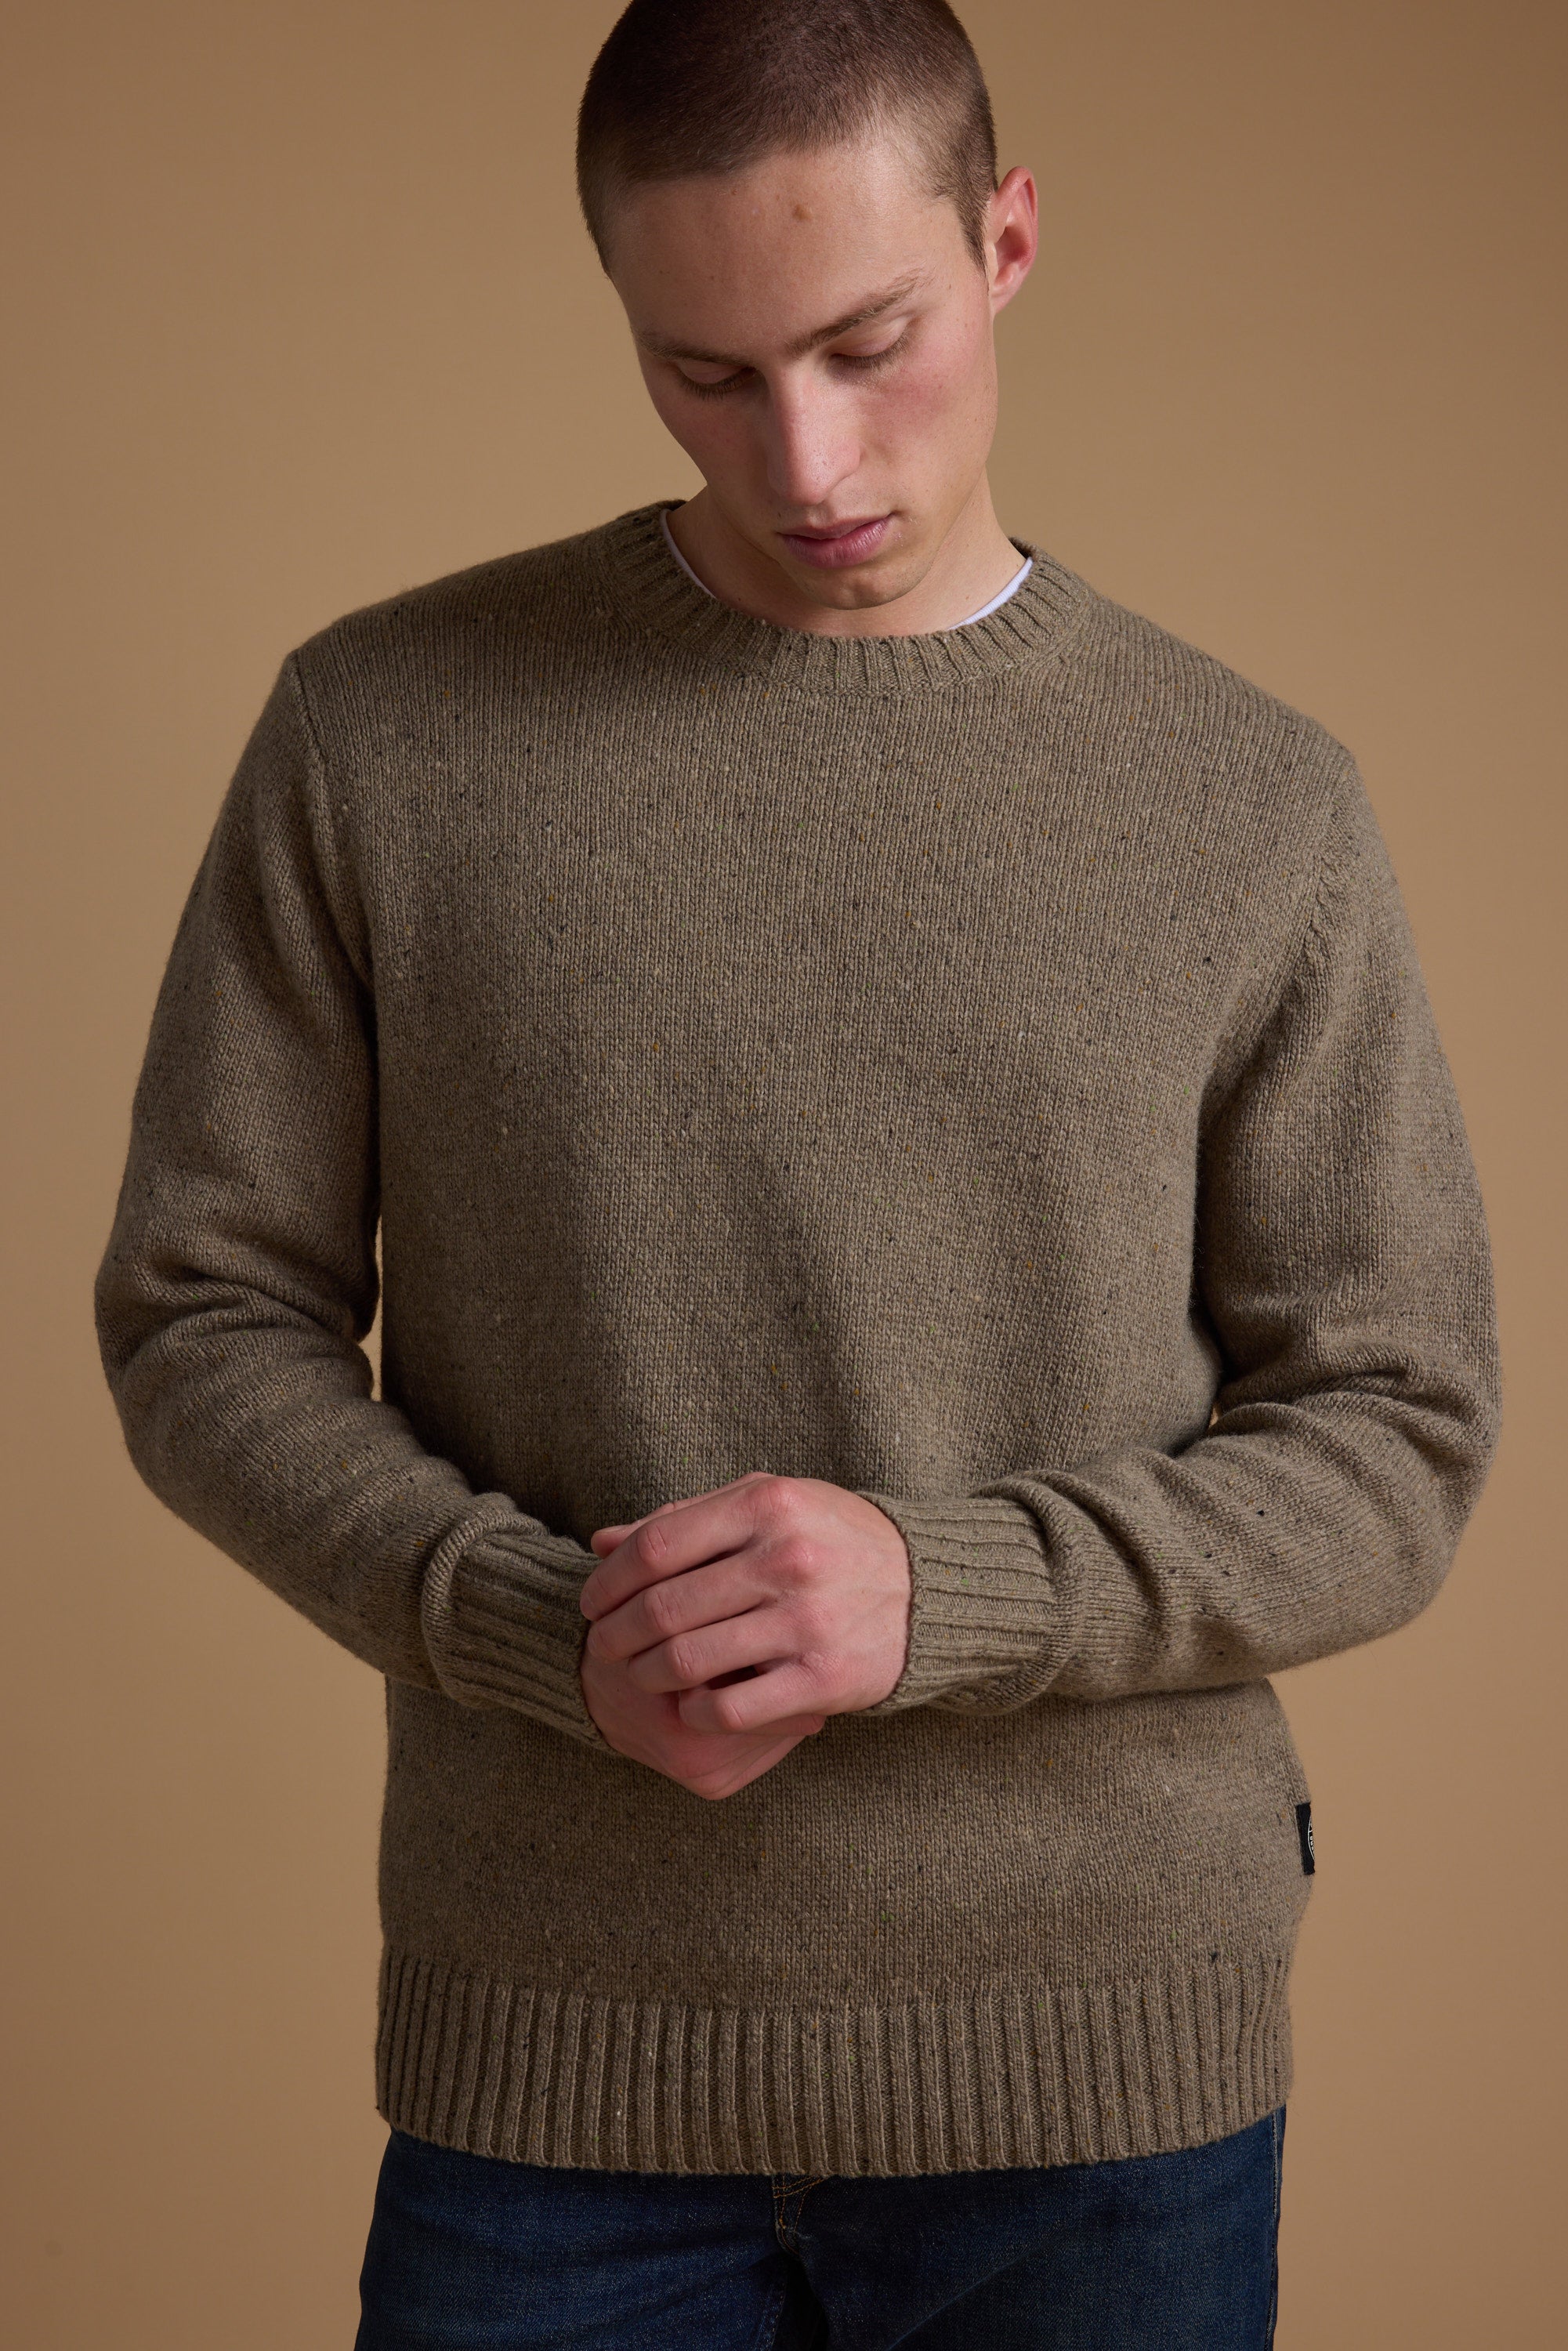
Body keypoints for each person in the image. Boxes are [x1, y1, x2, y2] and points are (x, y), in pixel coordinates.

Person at [92, 2, 1500, 2344]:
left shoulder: (1248, 800)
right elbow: (198, 1313)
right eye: (705, 373)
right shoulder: (386, 732)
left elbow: (1397, 1432)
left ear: (1008, 240)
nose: (809, 455)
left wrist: (931, 1594)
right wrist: (531, 1625)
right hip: (554, 2055)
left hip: (1100, 2075)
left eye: (870, 343)